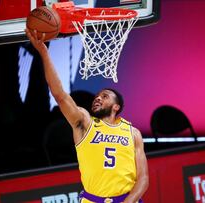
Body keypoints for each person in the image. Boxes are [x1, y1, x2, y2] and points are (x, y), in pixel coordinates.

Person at [25, 29, 149, 203]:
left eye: (104, 96)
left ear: (116, 107)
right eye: (97, 96)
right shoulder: (85, 122)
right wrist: (44, 53)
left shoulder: (133, 133)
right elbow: (60, 95)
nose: (98, 98)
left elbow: (143, 179)